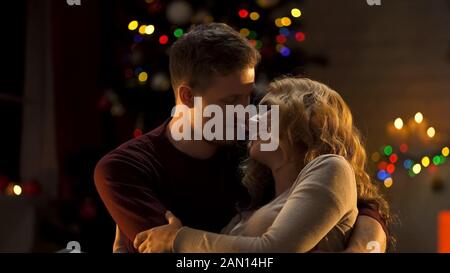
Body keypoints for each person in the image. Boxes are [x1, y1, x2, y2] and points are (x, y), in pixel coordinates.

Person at [94, 23, 388, 253]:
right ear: (187, 96)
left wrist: (365, 246)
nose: (246, 113)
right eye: (231, 100)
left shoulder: (260, 144)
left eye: (248, 97)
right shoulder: (126, 169)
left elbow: (355, 199)